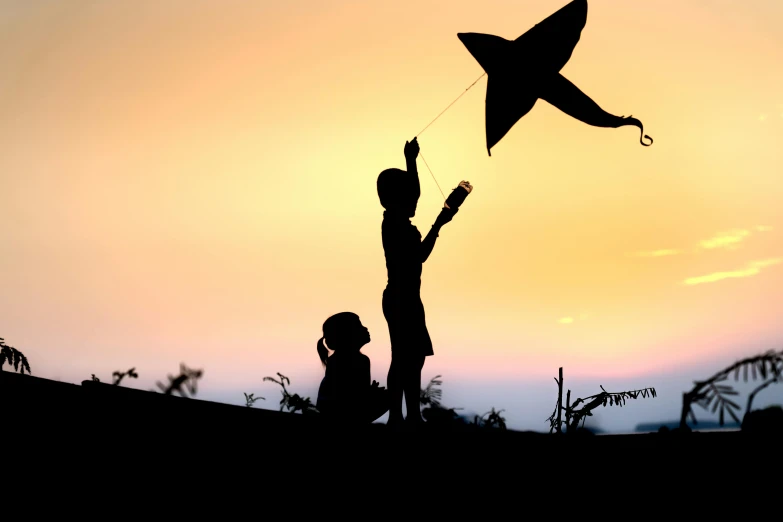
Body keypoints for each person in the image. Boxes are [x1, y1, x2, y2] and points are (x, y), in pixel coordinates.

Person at [377, 137, 471, 429]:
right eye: (409, 198)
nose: (416, 200)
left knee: (412, 357)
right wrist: (440, 223)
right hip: (401, 298)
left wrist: (411, 160)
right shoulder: (395, 224)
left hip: (404, 298)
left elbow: (414, 191)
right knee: (404, 357)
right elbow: (420, 257)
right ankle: (400, 416)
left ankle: (410, 415)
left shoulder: (397, 222)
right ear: (396, 199)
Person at [315, 312, 388, 426]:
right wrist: (372, 393)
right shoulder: (360, 360)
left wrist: (370, 392)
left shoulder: (335, 359)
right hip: (340, 411)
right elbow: (353, 395)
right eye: (359, 326)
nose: (365, 328)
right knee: (389, 396)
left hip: (331, 409)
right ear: (347, 334)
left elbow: (354, 390)